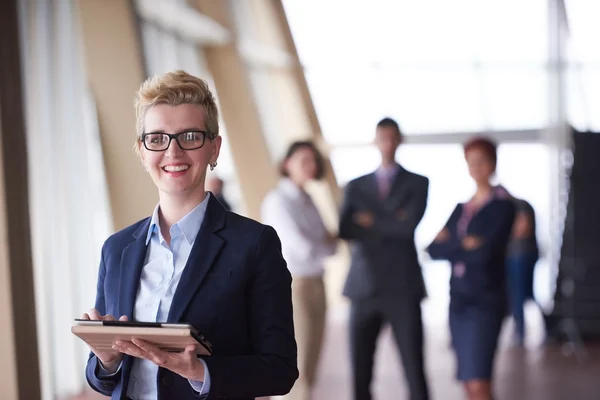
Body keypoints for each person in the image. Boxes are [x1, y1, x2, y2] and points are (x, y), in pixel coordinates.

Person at [81, 70, 298, 400]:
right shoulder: (117, 248)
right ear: (142, 151)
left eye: (190, 137)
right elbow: (104, 379)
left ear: (214, 148)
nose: (173, 152)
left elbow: (280, 369)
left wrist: (200, 372)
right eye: (157, 139)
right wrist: (108, 361)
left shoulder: (254, 245)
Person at [339, 117, 430, 400]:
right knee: (360, 372)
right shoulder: (354, 186)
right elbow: (345, 229)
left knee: (414, 369)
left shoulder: (418, 182)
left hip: (403, 287)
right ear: (376, 141)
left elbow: (407, 228)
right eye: (383, 138)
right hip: (363, 287)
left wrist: (370, 221)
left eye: (393, 138)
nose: (388, 144)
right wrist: (391, 219)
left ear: (400, 141)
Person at [427, 137, 515, 400]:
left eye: (482, 161)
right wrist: (465, 244)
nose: (476, 167)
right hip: (459, 301)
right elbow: (433, 249)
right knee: (467, 381)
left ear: (493, 164)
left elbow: (485, 254)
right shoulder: (461, 209)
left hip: (485, 300)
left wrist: (453, 243)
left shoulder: (503, 206)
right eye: (471, 162)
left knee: (479, 382)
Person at [261, 141, 337, 400]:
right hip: (294, 286)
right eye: (302, 159)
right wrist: (323, 242)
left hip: (317, 281)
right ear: (287, 164)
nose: (310, 165)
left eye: (313, 160)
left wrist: (323, 242)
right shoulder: (278, 201)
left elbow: (332, 246)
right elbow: (302, 246)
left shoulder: (308, 199)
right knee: (297, 365)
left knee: (313, 363)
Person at [506, 197, 539, 346]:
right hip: (518, 255)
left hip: (520, 255)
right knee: (523, 294)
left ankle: (520, 332)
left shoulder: (520, 205)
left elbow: (522, 229)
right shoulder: (519, 205)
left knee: (520, 294)